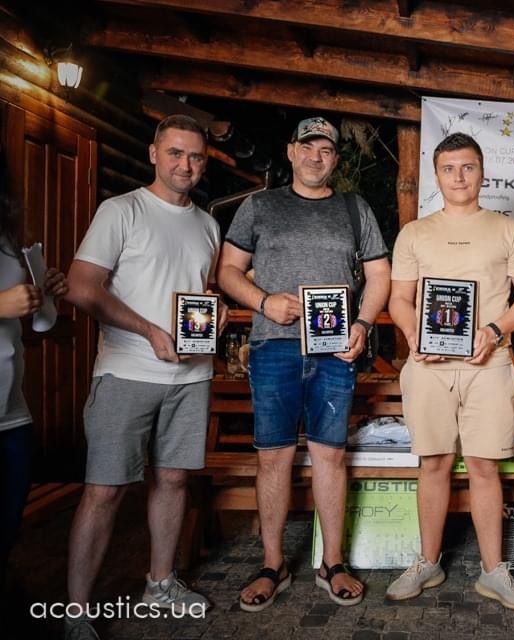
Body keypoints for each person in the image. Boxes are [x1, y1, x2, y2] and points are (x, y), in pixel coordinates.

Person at [217, 116, 390, 611]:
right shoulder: (259, 206)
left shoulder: (354, 209)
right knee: (273, 457)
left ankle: (331, 563)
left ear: (335, 158)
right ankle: (273, 564)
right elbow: (227, 271)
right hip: (273, 347)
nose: (317, 157)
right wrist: (263, 301)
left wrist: (363, 324)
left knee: (330, 456)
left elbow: (380, 275)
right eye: (308, 147)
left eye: (326, 150)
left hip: (334, 351)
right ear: (291, 151)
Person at [63, 115, 222, 640]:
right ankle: (76, 612)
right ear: (154, 154)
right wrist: (148, 330)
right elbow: (82, 287)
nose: (185, 165)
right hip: (126, 371)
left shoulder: (207, 225)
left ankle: (160, 584)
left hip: (191, 377)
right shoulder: (122, 210)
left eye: (195, 156)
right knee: (105, 490)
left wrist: (215, 311)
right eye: (175, 153)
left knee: (173, 481)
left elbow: (198, 291)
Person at [386, 132, 514, 611]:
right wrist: (414, 334)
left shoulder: (508, 229)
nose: (459, 177)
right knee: (432, 462)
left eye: (468, 167)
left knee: (484, 465)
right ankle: (427, 562)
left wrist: (494, 330)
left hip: (489, 363)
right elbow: (399, 298)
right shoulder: (415, 232)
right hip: (429, 366)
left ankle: (494, 572)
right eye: (449, 168)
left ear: (482, 172)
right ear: (436, 175)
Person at [0, 196, 68, 593]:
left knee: (8, 532)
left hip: (13, 413)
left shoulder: (9, 239)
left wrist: (48, 292)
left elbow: (44, 323)